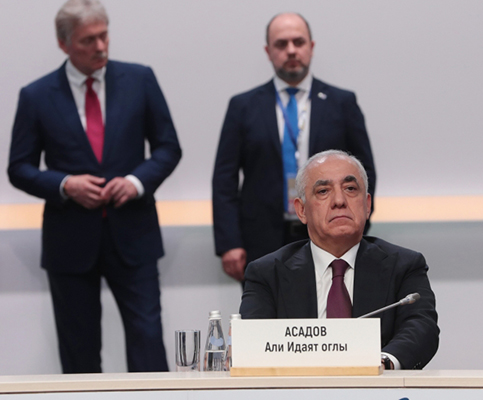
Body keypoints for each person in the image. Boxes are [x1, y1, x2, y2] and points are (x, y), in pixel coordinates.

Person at [7, 0, 181, 373]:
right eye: (88, 40)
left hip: (133, 234)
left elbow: (168, 147)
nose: (101, 47)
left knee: (148, 343)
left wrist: (135, 182)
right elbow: (18, 167)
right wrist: (65, 184)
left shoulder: (140, 79)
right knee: (79, 353)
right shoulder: (36, 95)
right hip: (70, 240)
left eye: (104, 36)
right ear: (64, 43)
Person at [213, 13, 376, 282]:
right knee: (267, 308)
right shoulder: (243, 106)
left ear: (311, 47)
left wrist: (355, 226)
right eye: (281, 44)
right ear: (268, 51)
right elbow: (224, 179)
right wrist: (229, 242)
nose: (291, 50)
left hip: (329, 235)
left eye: (298, 42)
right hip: (261, 239)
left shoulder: (341, 103)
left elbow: (364, 172)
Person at [239, 150, 439, 369]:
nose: (339, 201)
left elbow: (421, 327)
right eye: (323, 191)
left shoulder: (404, 265)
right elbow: (255, 343)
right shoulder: (267, 274)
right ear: (302, 210)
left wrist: (383, 363)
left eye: (350, 189)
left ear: (367, 205)